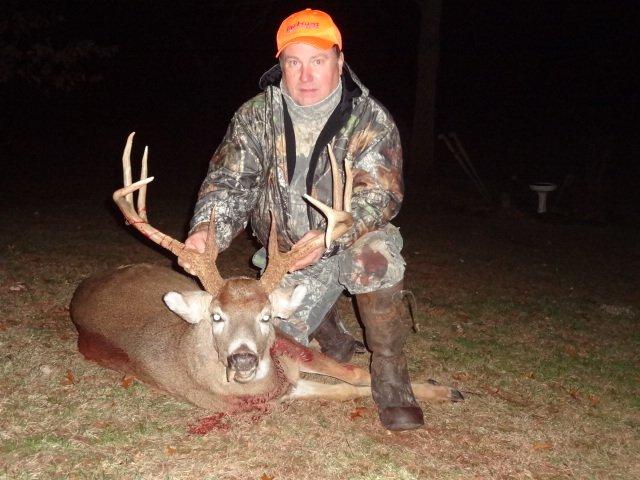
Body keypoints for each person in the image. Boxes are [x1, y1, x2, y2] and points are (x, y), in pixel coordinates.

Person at [180, 8, 423, 431]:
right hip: (285, 258)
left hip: (349, 241)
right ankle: (331, 335)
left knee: (376, 260)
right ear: (280, 66)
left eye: (318, 60)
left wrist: (329, 237)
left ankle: (390, 372)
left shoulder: (369, 119)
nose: (305, 74)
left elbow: (382, 194)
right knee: (270, 344)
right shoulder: (256, 116)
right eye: (294, 61)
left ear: (340, 62)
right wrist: (207, 230)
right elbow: (228, 182)